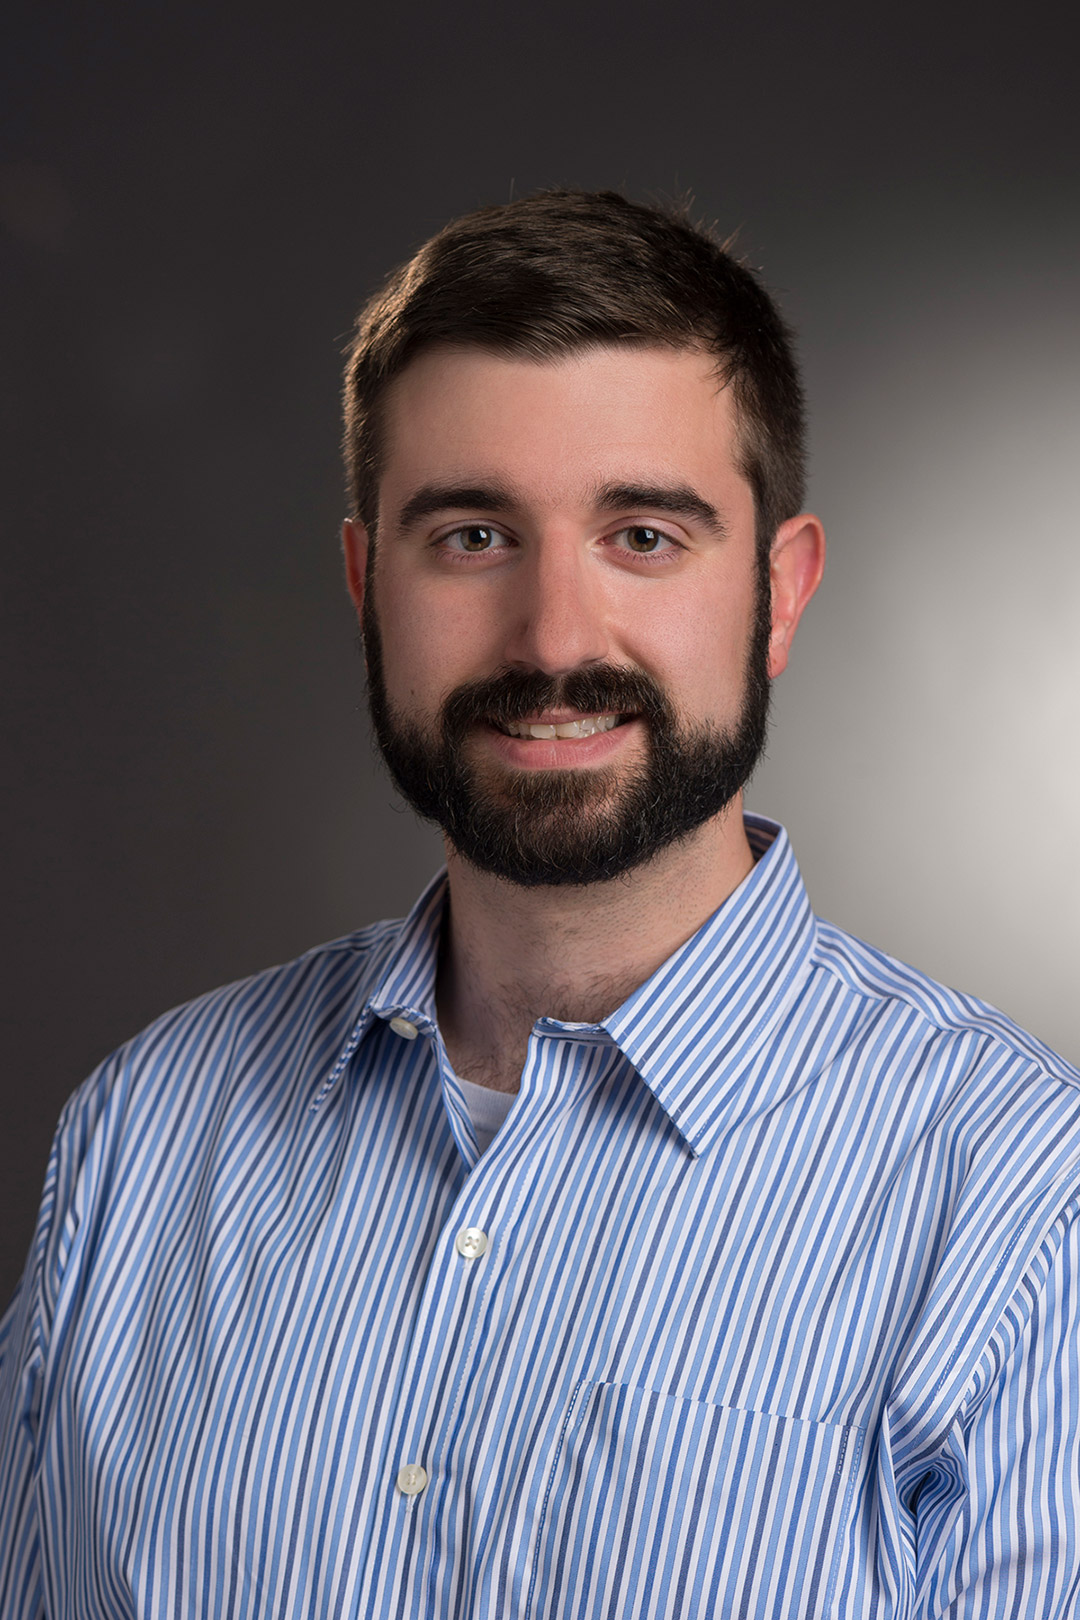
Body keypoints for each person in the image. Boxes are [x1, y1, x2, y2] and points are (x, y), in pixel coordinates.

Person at [1, 189, 1078, 1620]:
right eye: (471, 537)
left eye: (642, 535)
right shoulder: (140, 1141)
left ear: (779, 593)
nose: (556, 639)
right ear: (365, 585)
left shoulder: (1020, 1211)